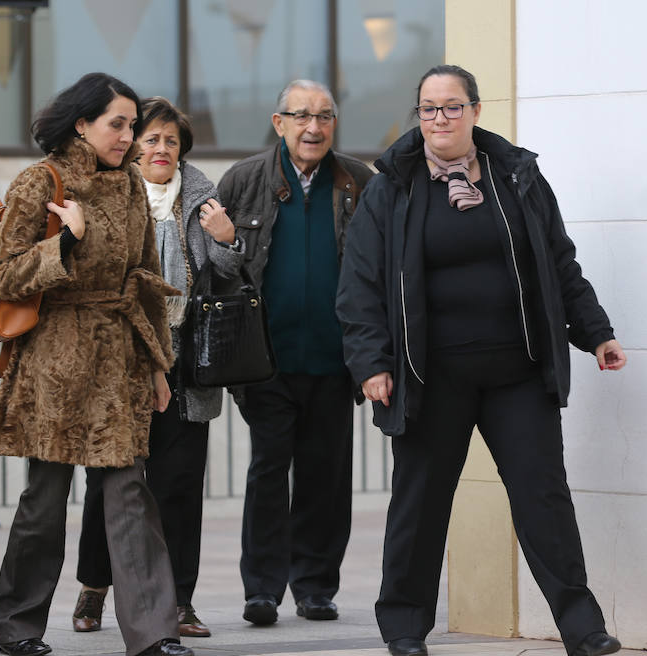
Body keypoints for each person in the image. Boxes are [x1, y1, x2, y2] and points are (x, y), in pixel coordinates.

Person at [336, 64, 626, 656]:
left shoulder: (515, 175)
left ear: (474, 110)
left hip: (516, 373)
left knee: (543, 498)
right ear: (418, 116)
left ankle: (582, 628)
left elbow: (558, 261)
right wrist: (371, 362)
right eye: (427, 109)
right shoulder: (393, 185)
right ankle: (403, 628)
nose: (438, 119)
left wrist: (595, 332)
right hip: (430, 376)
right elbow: (359, 284)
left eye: (450, 106)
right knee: (419, 504)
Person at [0, 73, 195, 656]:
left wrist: (157, 365)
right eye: (117, 124)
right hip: (54, 361)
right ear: (82, 123)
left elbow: (145, 281)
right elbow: (4, 277)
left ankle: (155, 634)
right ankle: (18, 625)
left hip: (121, 357)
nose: (129, 137)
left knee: (130, 496)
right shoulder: (40, 180)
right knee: (44, 503)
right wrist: (66, 242)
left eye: (133, 125)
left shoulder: (129, 186)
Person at [71, 97, 245, 638]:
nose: (161, 149)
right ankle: (95, 588)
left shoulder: (203, 198)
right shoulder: (111, 195)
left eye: (171, 141)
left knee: (179, 485)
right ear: (132, 146)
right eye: (151, 139)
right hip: (122, 364)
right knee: (110, 482)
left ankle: (179, 601)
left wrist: (227, 239)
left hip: (184, 363)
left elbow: (229, 274)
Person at [216, 79, 373, 625]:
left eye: (325, 116)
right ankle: (261, 588)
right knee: (267, 472)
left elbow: (378, 271)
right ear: (278, 122)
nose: (314, 127)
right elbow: (218, 270)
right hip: (267, 362)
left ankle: (315, 587)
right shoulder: (243, 179)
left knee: (325, 478)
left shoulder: (358, 180)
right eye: (302, 115)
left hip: (336, 361)